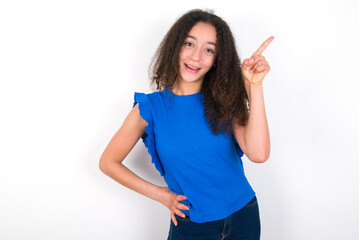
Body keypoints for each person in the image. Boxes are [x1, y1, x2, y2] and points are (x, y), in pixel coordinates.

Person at [99, 9, 273, 240]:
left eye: (209, 50)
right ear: (175, 47)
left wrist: (254, 86)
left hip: (243, 216)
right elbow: (108, 162)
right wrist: (161, 195)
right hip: (192, 227)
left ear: (216, 60)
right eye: (189, 44)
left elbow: (259, 154)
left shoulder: (225, 100)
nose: (196, 57)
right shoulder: (149, 109)